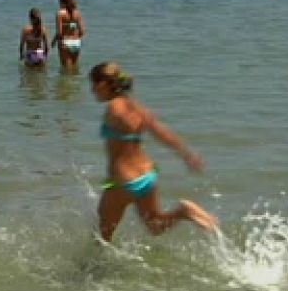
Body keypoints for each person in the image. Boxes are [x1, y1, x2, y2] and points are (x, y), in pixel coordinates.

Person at [89, 61, 217, 242]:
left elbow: (123, 120)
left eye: (94, 85)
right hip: (147, 175)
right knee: (155, 226)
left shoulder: (114, 107)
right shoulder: (136, 107)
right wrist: (186, 154)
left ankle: (93, 269)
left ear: (103, 84)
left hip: (122, 181)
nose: (92, 90)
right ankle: (183, 211)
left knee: (102, 234)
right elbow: (162, 133)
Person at [52, 0, 85, 71]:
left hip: (65, 41)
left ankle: (67, 83)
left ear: (61, 2)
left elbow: (59, 32)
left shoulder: (60, 13)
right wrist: (75, 37)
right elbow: (82, 31)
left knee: (66, 69)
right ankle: (75, 82)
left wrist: (54, 41)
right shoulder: (77, 13)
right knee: (74, 67)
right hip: (76, 42)